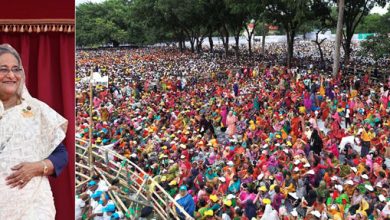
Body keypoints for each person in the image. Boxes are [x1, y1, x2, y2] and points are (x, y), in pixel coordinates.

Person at [0, 44, 68, 219]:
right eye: (3, 69)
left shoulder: (36, 110)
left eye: (16, 69)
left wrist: (37, 167)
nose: (11, 75)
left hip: (33, 205)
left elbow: (61, 155)